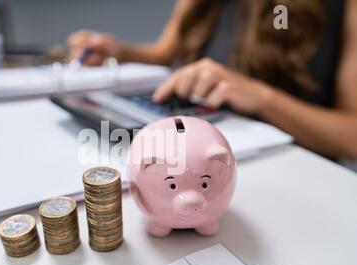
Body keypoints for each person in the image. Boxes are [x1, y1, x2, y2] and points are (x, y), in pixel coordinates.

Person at [67, 0, 357, 160]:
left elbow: (351, 138)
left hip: (290, 169)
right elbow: (164, 53)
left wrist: (262, 98)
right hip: (195, 152)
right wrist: (120, 50)